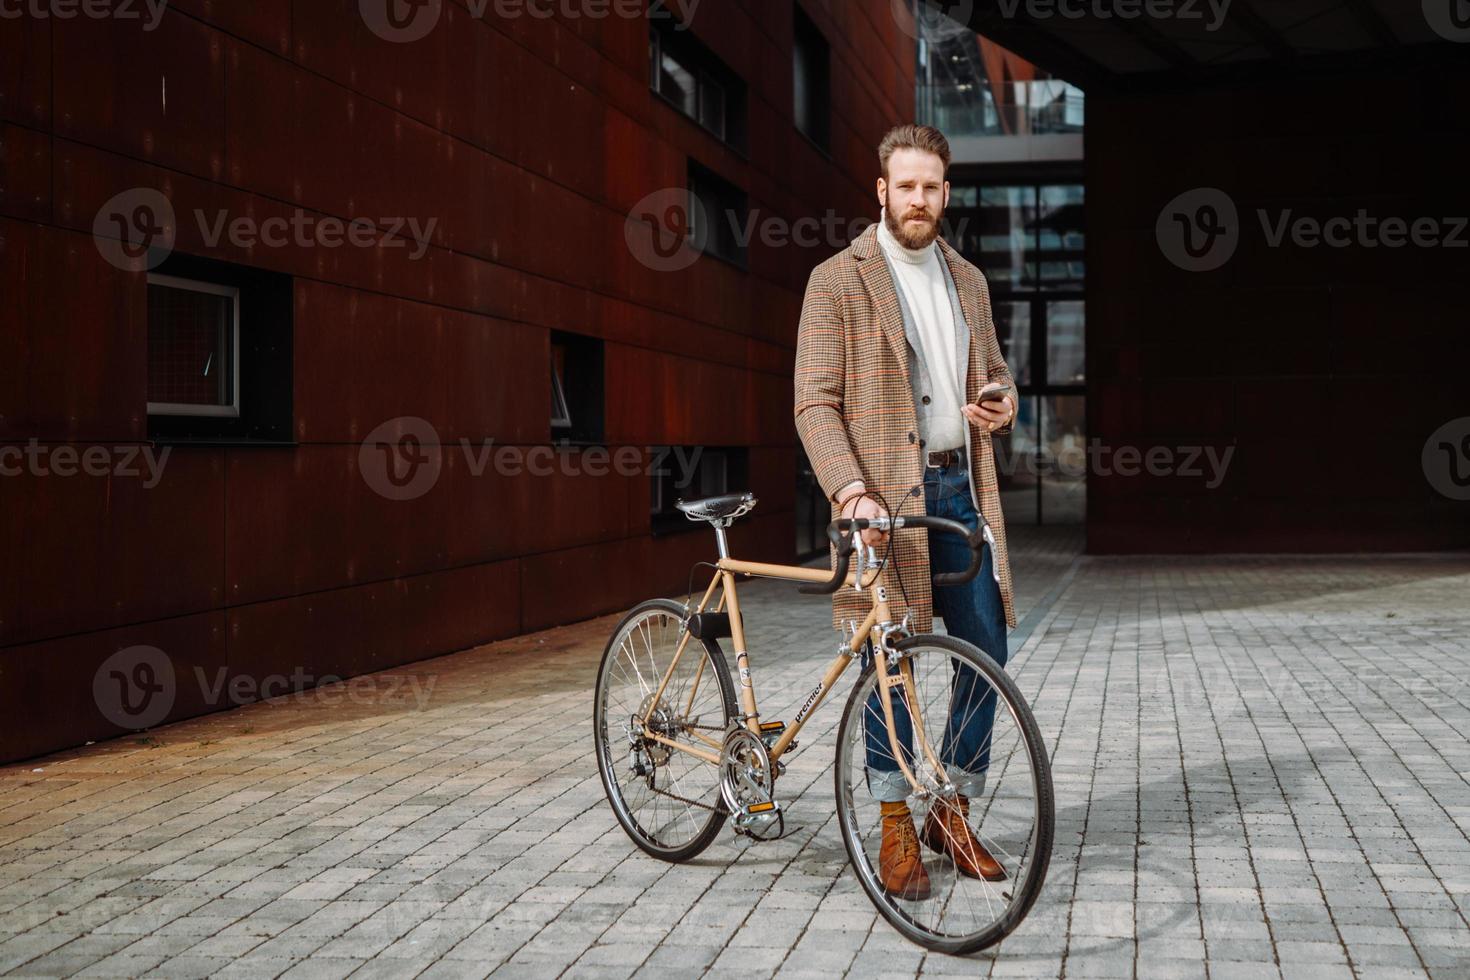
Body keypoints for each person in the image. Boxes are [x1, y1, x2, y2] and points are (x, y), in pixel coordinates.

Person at [793, 124, 1018, 898]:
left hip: (959, 492)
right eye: (906, 186)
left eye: (932, 187)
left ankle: (947, 807)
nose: (918, 200)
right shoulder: (838, 280)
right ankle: (894, 822)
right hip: (881, 500)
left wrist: (1001, 401)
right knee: (889, 661)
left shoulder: (970, 282)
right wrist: (851, 492)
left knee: (987, 648)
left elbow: (993, 374)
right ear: (882, 191)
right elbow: (815, 404)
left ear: (945, 195)